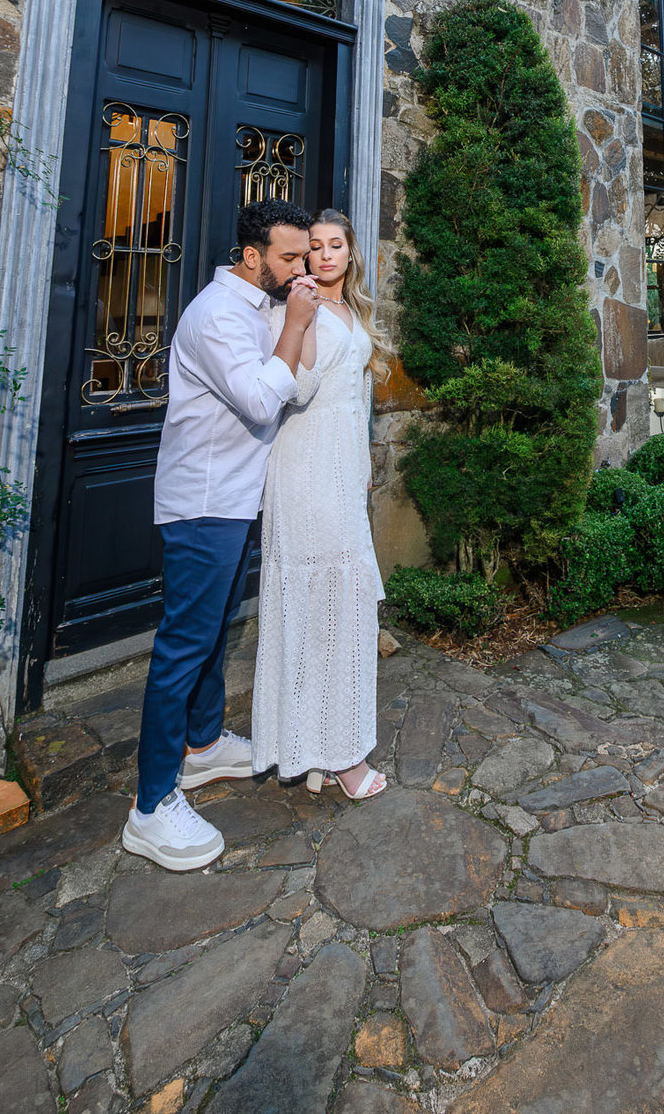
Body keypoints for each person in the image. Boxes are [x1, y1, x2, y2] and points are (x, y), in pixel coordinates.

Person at [121, 198, 319, 871]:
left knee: (213, 631)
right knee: (182, 646)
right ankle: (151, 806)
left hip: (235, 499)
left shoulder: (258, 308)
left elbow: (283, 389)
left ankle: (202, 746)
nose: (301, 269)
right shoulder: (216, 315)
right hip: (203, 504)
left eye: (304, 255)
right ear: (252, 255)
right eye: (289, 257)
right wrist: (297, 323)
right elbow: (263, 399)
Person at [251, 208, 391, 798]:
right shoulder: (295, 306)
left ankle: (319, 749)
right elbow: (299, 388)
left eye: (337, 244)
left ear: (350, 253)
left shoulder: (353, 309)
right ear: (305, 254)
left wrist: (362, 466)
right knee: (325, 608)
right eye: (316, 245)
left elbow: (356, 396)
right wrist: (301, 318)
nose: (327, 254)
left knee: (338, 607)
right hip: (305, 468)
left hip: (341, 468)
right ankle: (341, 757)